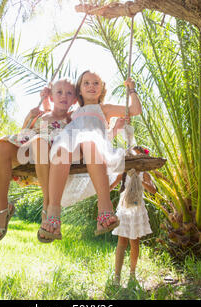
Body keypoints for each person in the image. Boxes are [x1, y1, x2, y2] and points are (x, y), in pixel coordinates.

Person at [39, 70, 142, 241]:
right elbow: (52, 115)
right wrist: (45, 99)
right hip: (73, 144)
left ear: (102, 89)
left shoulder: (104, 109)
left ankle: (104, 206)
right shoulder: (72, 113)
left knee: (90, 142)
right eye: (86, 83)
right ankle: (53, 210)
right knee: (62, 149)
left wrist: (131, 90)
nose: (91, 86)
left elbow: (135, 110)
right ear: (79, 89)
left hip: (93, 146)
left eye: (96, 83)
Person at [0, 79, 77, 243]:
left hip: (50, 155)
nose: (64, 96)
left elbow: (92, 113)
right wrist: (30, 118)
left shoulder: (73, 118)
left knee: (40, 142)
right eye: (59, 92)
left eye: (69, 93)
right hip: (28, 151)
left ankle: (47, 206)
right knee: (1, 146)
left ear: (75, 99)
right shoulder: (40, 114)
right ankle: (2, 208)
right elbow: (23, 135)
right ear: (51, 95)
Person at [109, 146, 157, 285]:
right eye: (133, 157)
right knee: (122, 241)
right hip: (124, 209)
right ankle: (117, 276)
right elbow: (112, 185)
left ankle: (132, 273)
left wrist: (139, 180)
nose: (135, 161)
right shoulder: (124, 172)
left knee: (134, 242)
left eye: (138, 157)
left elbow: (153, 190)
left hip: (137, 210)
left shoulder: (144, 174)